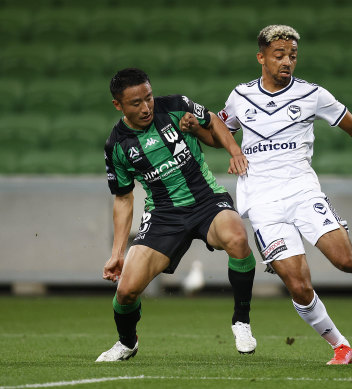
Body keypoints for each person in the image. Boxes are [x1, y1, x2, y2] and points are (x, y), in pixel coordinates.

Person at [181, 25, 352, 365]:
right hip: (262, 203)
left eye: (293, 56)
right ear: (261, 57)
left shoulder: (312, 94)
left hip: (302, 190)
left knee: (344, 259)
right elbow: (220, 136)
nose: (287, 61)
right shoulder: (240, 97)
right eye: (279, 55)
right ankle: (340, 346)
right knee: (298, 285)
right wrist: (197, 130)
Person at [96, 68, 258, 362]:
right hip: (163, 215)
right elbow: (123, 198)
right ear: (118, 105)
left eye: (148, 98)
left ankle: (241, 321)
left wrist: (234, 150)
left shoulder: (174, 106)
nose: (146, 107)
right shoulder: (116, 145)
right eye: (136, 103)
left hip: (206, 200)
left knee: (236, 237)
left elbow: (215, 120)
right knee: (126, 292)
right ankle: (127, 342)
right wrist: (117, 252)